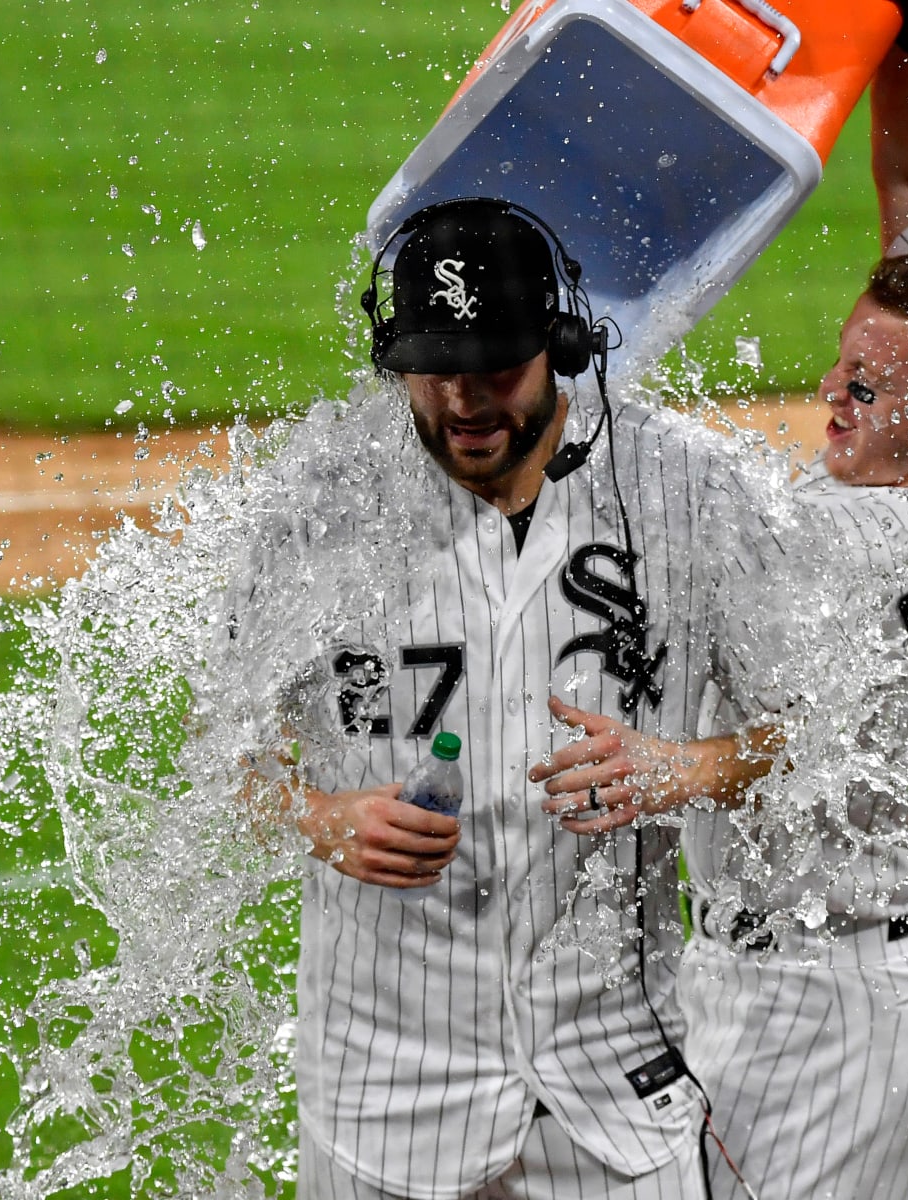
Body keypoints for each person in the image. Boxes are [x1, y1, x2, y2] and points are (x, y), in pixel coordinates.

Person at [529, 5, 908, 1199]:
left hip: (837, 1016)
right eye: (843, 360)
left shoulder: (841, 537)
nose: (829, 392)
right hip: (761, 968)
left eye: (864, 385)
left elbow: (820, 739)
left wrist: (674, 769)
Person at [229, 195, 794, 1199]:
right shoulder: (315, 508)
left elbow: (804, 727)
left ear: (563, 343)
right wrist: (315, 815)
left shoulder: (692, 491)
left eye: (496, 366)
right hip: (384, 1092)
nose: (463, 401)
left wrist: (687, 766)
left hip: (617, 1092)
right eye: (434, 370)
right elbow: (225, 748)